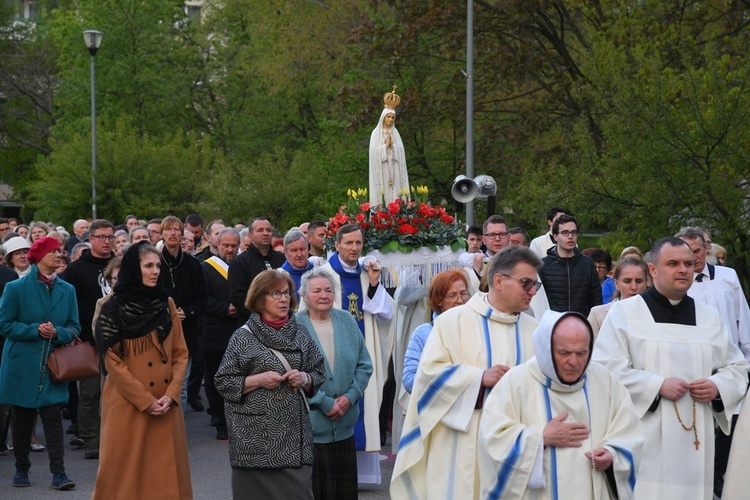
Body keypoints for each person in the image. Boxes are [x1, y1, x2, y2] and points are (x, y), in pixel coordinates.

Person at [592, 237, 749, 499]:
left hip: (696, 441)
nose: (683, 269)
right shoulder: (625, 314)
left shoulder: (709, 317)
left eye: (688, 263)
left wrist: (717, 386)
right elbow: (605, 369)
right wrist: (656, 385)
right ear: (653, 270)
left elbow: (737, 367)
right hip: (645, 436)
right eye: (673, 263)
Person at [391, 246, 542, 499]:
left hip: (514, 445)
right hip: (460, 445)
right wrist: (478, 379)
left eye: (535, 285)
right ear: (499, 281)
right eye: (526, 283)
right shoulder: (450, 323)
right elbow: (426, 379)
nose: (532, 291)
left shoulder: (535, 331)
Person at [477, 311, 642, 499]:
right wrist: (539, 438)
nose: (574, 362)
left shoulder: (605, 381)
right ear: (546, 349)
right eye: (564, 353)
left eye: (582, 353)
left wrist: (613, 454)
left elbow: (630, 432)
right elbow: (492, 440)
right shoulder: (515, 383)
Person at [92, 242, 192, 499]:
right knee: (125, 480)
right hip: (129, 404)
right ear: (133, 269)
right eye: (148, 265)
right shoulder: (111, 307)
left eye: (158, 266)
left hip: (165, 403)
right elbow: (112, 362)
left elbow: (180, 353)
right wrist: (145, 400)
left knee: (166, 482)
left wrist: (171, 393)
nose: (155, 271)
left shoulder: (166, 302)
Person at [215, 269, 326, 500]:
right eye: (275, 294)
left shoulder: (301, 332)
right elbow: (223, 382)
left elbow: (319, 371)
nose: (284, 299)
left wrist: (305, 379)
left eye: (286, 293)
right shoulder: (243, 337)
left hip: (294, 440)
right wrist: (257, 380)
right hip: (253, 441)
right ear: (259, 299)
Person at [315, 223, 395, 484]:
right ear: (336, 245)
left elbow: (386, 314)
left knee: (366, 402)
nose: (354, 248)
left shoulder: (367, 273)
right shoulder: (324, 274)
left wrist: (373, 285)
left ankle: (364, 477)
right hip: (334, 352)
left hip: (363, 350)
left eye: (358, 243)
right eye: (348, 243)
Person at [0, 236, 80, 489]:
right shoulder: (16, 288)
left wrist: (58, 333)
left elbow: (74, 326)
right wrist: (35, 330)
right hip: (22, 364)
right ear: (39, 256)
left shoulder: (68, 290)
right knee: (23, 419)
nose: (59, 255)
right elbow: (4, 324)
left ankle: (59, 473)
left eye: (60, 251)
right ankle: (21, 469)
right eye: (53, 251)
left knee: (53, 419)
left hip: (53, 364)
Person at [676, 226, 750, 497]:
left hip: (730, 367)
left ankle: (721, 484)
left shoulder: (727, 277)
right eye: (685, 252)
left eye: (696, 250)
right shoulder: (679, 284)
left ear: (705, 249)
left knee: (730, 432)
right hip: (695, 370)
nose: (692, 257)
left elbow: (742, 319)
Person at [296, 268, 373, 499]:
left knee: (345, 493)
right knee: (317, 493)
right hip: (312, 427)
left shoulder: (346, 320)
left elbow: (364, 365)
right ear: (304, 296)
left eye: (329, 290)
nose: (323, 295)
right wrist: (324, 401)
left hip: (345, 424)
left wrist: (350, 397)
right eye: (317, 290)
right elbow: (292, 373)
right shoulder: (294, 326)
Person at [59, 219, 115, 460]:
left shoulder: (121, 265)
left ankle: (113, 437)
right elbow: (67, 304)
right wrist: (73, 334)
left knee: (115, 393)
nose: (106, 241)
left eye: (110, 237)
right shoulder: (76, 270)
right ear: (89, 239)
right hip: (87, 340)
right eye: (101, 236)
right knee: (90, 393)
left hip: (117, 340)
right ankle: (91, 438)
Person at [158, 216, 207, 412]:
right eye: (168, 229)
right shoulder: (154, 262)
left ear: (182, 234)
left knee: (181, 384)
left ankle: (178, 432)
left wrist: (187, 312)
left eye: (176, 230)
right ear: (162, 234)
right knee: (160, 383)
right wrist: (168, 313)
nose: (172, 233)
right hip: (159, 331)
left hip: (186, 331)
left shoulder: (193, 264)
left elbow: (202, 298)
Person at [401, 269, 469, 394]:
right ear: (438, 300)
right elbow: (409, 380)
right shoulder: (423, 333)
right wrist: (449, 381)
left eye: (464, 294)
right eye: (453, 295)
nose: (460, 300)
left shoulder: (475, 328)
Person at [201, 228, 240, 440]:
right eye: (226, 245)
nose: (230, 249)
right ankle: (220, 421)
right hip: (215, 330)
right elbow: (202, 299)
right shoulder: (205, 268)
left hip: (239, 329)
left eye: (234, 245)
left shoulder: (242, 266)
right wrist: (224, 309)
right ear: (218, 243)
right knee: (217, 376)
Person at [539, 215, 602, 316]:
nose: (570, 236)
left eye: (573, 232)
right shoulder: (543, 265)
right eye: (565, 233)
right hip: (553, 325)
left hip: (581, 324)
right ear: (555, 236)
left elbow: (595, 300)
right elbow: (539, 302)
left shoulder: (587, 264)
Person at [228, 217, 285, 325]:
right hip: (253, 324)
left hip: (282, 321)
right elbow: (238, 297)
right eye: (260, 230)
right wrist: (263, 315)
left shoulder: (282, 258)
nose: (265, 233)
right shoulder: (239, 263)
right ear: (250, 236)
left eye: (268, 230)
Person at [587, 257, 649, 336]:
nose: (634, 287)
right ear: (616, 284)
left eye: (639, 281)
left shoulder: (655, 314)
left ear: (646, 283)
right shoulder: (598, 315)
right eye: (627, 281)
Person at [369, 86, 409, 207]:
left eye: (393, 117)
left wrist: (394, 147)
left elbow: (401, 154)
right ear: (383, 117)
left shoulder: (395, 133)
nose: (390, 120)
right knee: (384, 193)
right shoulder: (376, 133)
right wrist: (385, 146)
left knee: (396, 192)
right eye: (388, 117)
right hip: (383, 169)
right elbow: (374, 154)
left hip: (395, 169)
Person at [281, 230, 314, 302]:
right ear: (285, 253)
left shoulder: (318, 272)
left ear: (308, 249)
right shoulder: (279, 276)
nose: (299, 254)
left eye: (302, 249)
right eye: (294, 250)